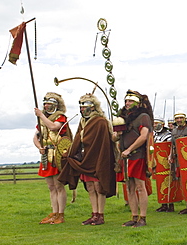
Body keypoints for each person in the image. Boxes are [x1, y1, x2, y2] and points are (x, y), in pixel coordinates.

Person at [57, 93, 116, 225]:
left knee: (98, 186)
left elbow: (100, 142)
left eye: (85, 107)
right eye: (81, 107)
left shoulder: (100, 121)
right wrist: (71, 152)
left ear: (93, 107)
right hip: (85, 158)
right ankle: (94, 214)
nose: (82, 109)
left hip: (97, 158)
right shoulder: (83, 121)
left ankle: (100, 215)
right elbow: (79, 139)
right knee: (90, 186)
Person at [115, 90, 153, 227]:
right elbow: (115, 137)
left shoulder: (143, 117)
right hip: (125, 158)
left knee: (140, 186)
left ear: (137, 103)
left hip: (138, 155)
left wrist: (129, 149)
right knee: (129, 188)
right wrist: (117, 132)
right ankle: (134, 216)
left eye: (130, 101)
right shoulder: (123, 118)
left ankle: (142, 218)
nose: (127, 103)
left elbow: (144, 136)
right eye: (126, 101)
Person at [33, 92, 72, 224]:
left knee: (58, 185)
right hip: (46, 155)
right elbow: (36, 137)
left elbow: (53, 127)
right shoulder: (42, 120)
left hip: (57, 156)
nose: (46, 105)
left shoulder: (60, 117)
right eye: (45, 104)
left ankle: (60, 214)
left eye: (49, 103)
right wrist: (39, 147)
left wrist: (41, 115)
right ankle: (54, 212)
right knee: (51, 186)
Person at [169, 111, 187, 214]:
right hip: (178, 160)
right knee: (183, 182)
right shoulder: (174, 132)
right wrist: (170, 155)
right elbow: (172, 146)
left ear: (185, 119)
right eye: (177, 119)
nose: (179, 120)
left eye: (181, 118)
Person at [153, 116, 175, 212]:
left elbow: (169, 148)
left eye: (156, 123)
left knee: (168, 182)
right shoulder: (154, 135)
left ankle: (170, 204)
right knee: (160, 182)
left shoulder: (168, 136)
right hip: (158, 162)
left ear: (161, 124)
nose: (154, 125)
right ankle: (163, 204)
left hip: (167, 162)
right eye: (153, 123)